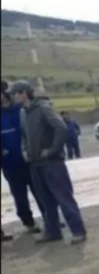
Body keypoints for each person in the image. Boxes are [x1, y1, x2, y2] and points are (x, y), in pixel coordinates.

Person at [10, 81, 87, 244]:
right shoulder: (23, 113)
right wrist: (24, 150)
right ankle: (53, 232)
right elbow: (24, 135)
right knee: (46, 200)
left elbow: (61, 128)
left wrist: (51, 150)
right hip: (35, 163)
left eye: (14, 93)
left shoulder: (44, 108)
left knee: (63, 197)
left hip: (52, 162)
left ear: (23, 93)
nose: (12, 97)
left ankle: (78, 231)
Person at [2, 79, 42, 234]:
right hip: (9, 164)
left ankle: (50, 218)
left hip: (29, 159)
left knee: (40, 191)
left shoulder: (21, 109)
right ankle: (28, 222)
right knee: (19, 195)